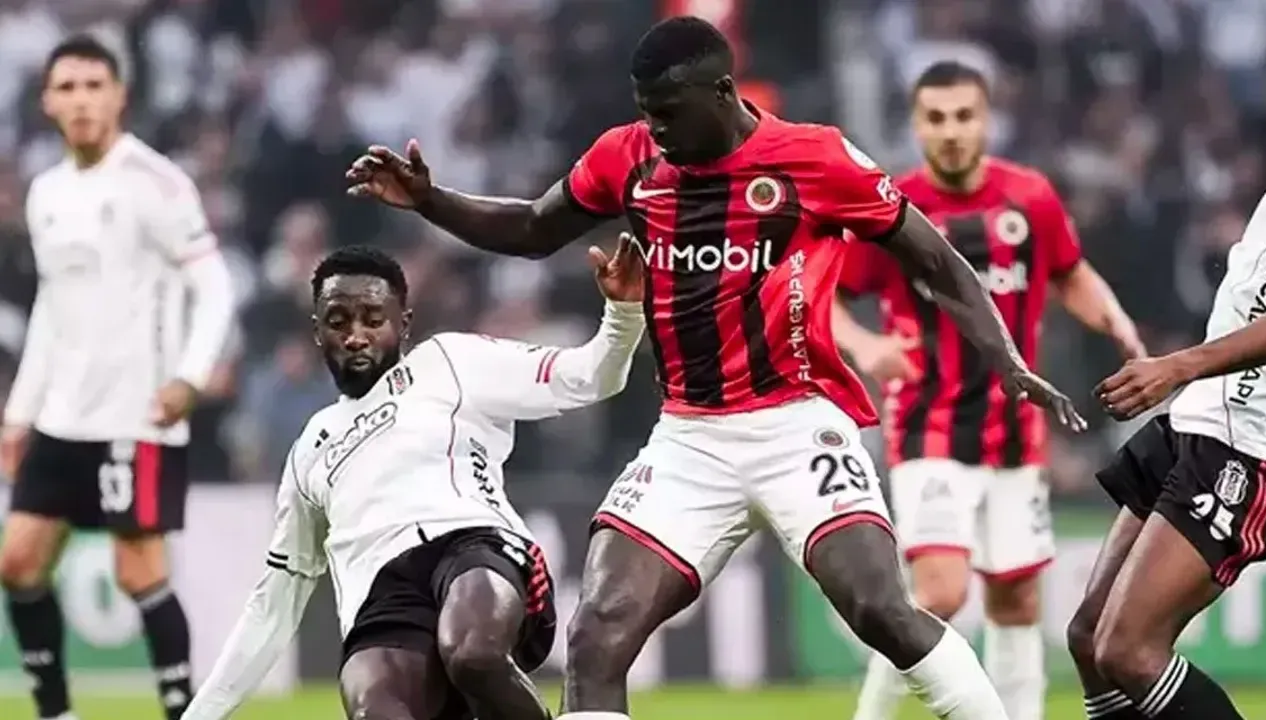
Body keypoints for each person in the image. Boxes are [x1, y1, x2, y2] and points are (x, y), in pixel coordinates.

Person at [346, 16, 1087, 720]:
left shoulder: (815, 158)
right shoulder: (628, 155)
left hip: (797, 424)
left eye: (670, 112)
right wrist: (431, 200)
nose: (658, 129)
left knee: (880, 610)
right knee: (596, 633)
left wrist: (1006, 360)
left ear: (723, 93)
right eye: (647, 112)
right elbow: (536, 227)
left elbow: (936, 259)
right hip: (690, 438)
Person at [181, 242, 646, 720]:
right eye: (338, 321)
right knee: (375, 710)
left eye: (372, 319)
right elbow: (274, 602)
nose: (355, 336)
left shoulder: (449, 361)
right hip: (383, 603)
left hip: (473, 546)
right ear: (318, 332)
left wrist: (624, 314)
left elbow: (591, 377)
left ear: (403, 323)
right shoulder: (310, 448)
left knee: (472, 651)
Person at [836, 61, 1145, 720]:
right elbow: (826, 297)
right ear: (917, 125)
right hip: (928, 424)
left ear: (985, 120)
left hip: (1015, 431)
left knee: (1017, 600)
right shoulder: (892, 207)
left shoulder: (1029, 197)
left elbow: (1070, 273)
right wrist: (866, 347)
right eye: (936, 118)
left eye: (964, 116)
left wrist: (1117, 319)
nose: (951, 131)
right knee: (939, 595)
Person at [0, 35, 235, 720]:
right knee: (17, 563)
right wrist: (19, 413)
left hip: (138, 414)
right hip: (61, 416)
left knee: (139, 573)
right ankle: (56, 713)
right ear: (48, 102)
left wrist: (190, 377)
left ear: (119, 96)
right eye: (67, 88)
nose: (81, 100)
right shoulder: (46, 193)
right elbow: (51, 309)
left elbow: (214, 285)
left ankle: (184, 712)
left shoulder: (155, 183)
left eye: (93, 86)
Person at [1062, 183, 1266, 719]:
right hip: (1200, 418)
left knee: (1128, 650)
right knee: (1089, 638)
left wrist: (1179, 366)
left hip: (1254, 442)